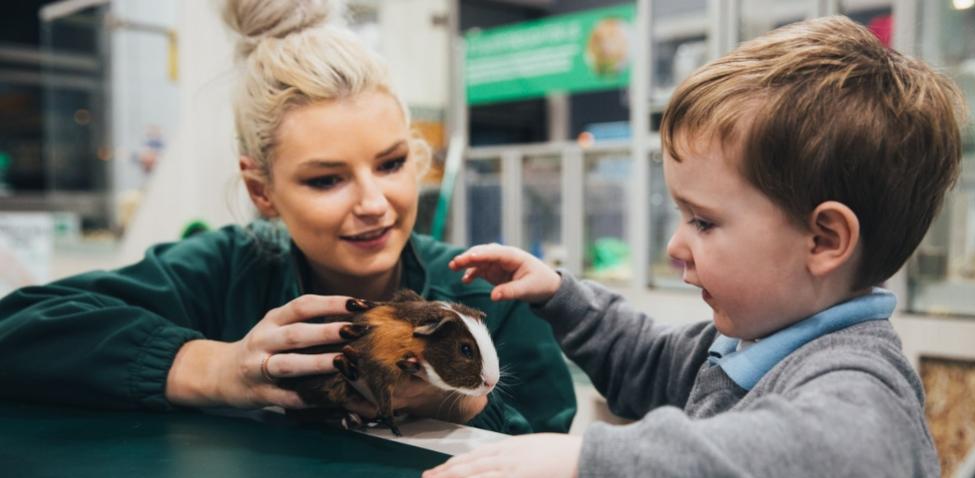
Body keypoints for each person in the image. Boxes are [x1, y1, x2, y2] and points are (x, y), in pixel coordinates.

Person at [422, 16, 966, 478]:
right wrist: (562, 295)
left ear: (823, 240)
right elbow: (647, 360)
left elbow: (828, 459)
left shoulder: (861, 379)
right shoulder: (749, 342)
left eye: (703, 222)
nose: (675, 245)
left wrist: (590, 461)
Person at [0, 0, 575, 436]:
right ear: (261, 190)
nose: (373, 202)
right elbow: (19, 328)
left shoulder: (479, 289)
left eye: (392, 163)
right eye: (327, 179)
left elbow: (553, 431)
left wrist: (465, 403)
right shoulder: (221, 270)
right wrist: (216, 368)